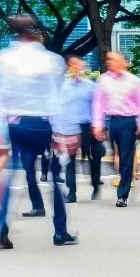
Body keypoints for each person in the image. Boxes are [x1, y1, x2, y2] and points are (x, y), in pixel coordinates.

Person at [0, 15, 78, 250]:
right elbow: (56, 98)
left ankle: (2, 226)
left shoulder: (3, 59)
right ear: (37, 33)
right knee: (54, 179)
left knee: (12, 175)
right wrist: (61, 133)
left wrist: (0, 133)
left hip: (15, 124)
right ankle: (60, 231)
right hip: (43, 125)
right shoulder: (53, 61)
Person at [92, 52, 140, 208]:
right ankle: (124, 174)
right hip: (112, 121)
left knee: (127, 157)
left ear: (123, 62)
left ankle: (122, 195)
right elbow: (98, 104)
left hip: (129, 122)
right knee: (117, 156)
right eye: (108, 59)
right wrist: (98, 124)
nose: (109, 62)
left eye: (113, 59)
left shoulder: (134, 81)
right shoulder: (103, 80)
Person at [54, 55, 100, 203]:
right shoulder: (63, 85)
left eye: (78, 64)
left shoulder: (90, 86)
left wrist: (98, 125)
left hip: (87, 126)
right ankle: (71, 193)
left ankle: (95, 184)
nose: (76, 67)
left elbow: (97, 107)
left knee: (91, 158)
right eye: (73, 64)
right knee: (70, 161)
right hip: (70, 126)